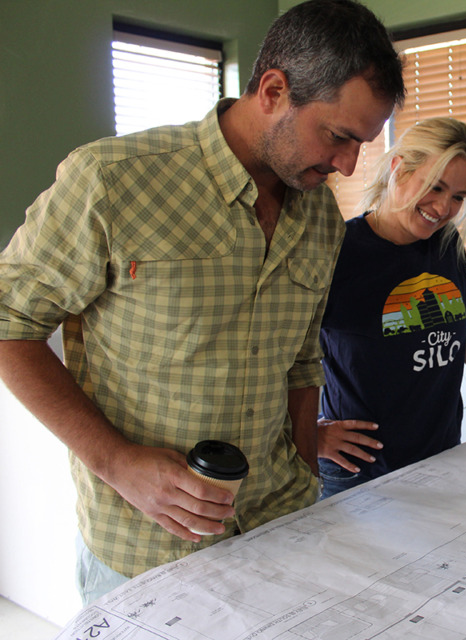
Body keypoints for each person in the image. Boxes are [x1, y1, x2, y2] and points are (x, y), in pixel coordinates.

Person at [0, 0, 403, 605]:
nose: (348, 166)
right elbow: (10, 326)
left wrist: (305, 486)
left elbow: (300, 361)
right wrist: (119, 463)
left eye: (362, 145)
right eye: (340, 136)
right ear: (272, 90)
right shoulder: (111, 181)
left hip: (280, 531)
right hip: (144, 551)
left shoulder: (319, 211)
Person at [316, 117, 466, 499]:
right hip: (361, 475)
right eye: (434, 187)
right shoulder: (339, 252)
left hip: (440, 458)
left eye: (458, 196)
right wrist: (309, 435)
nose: (444, 207)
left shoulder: (446, 247)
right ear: (397, 168)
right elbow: (282, 355)